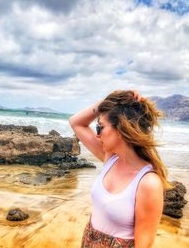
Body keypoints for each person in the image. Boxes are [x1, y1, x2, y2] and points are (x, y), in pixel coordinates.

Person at [69, 90, 170, 248]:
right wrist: (110, 101)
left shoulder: (148, 183)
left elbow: (143, 245)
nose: (97, 134)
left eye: (100, 127)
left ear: (121, 129)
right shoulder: (111, 158)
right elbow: (76, 122)